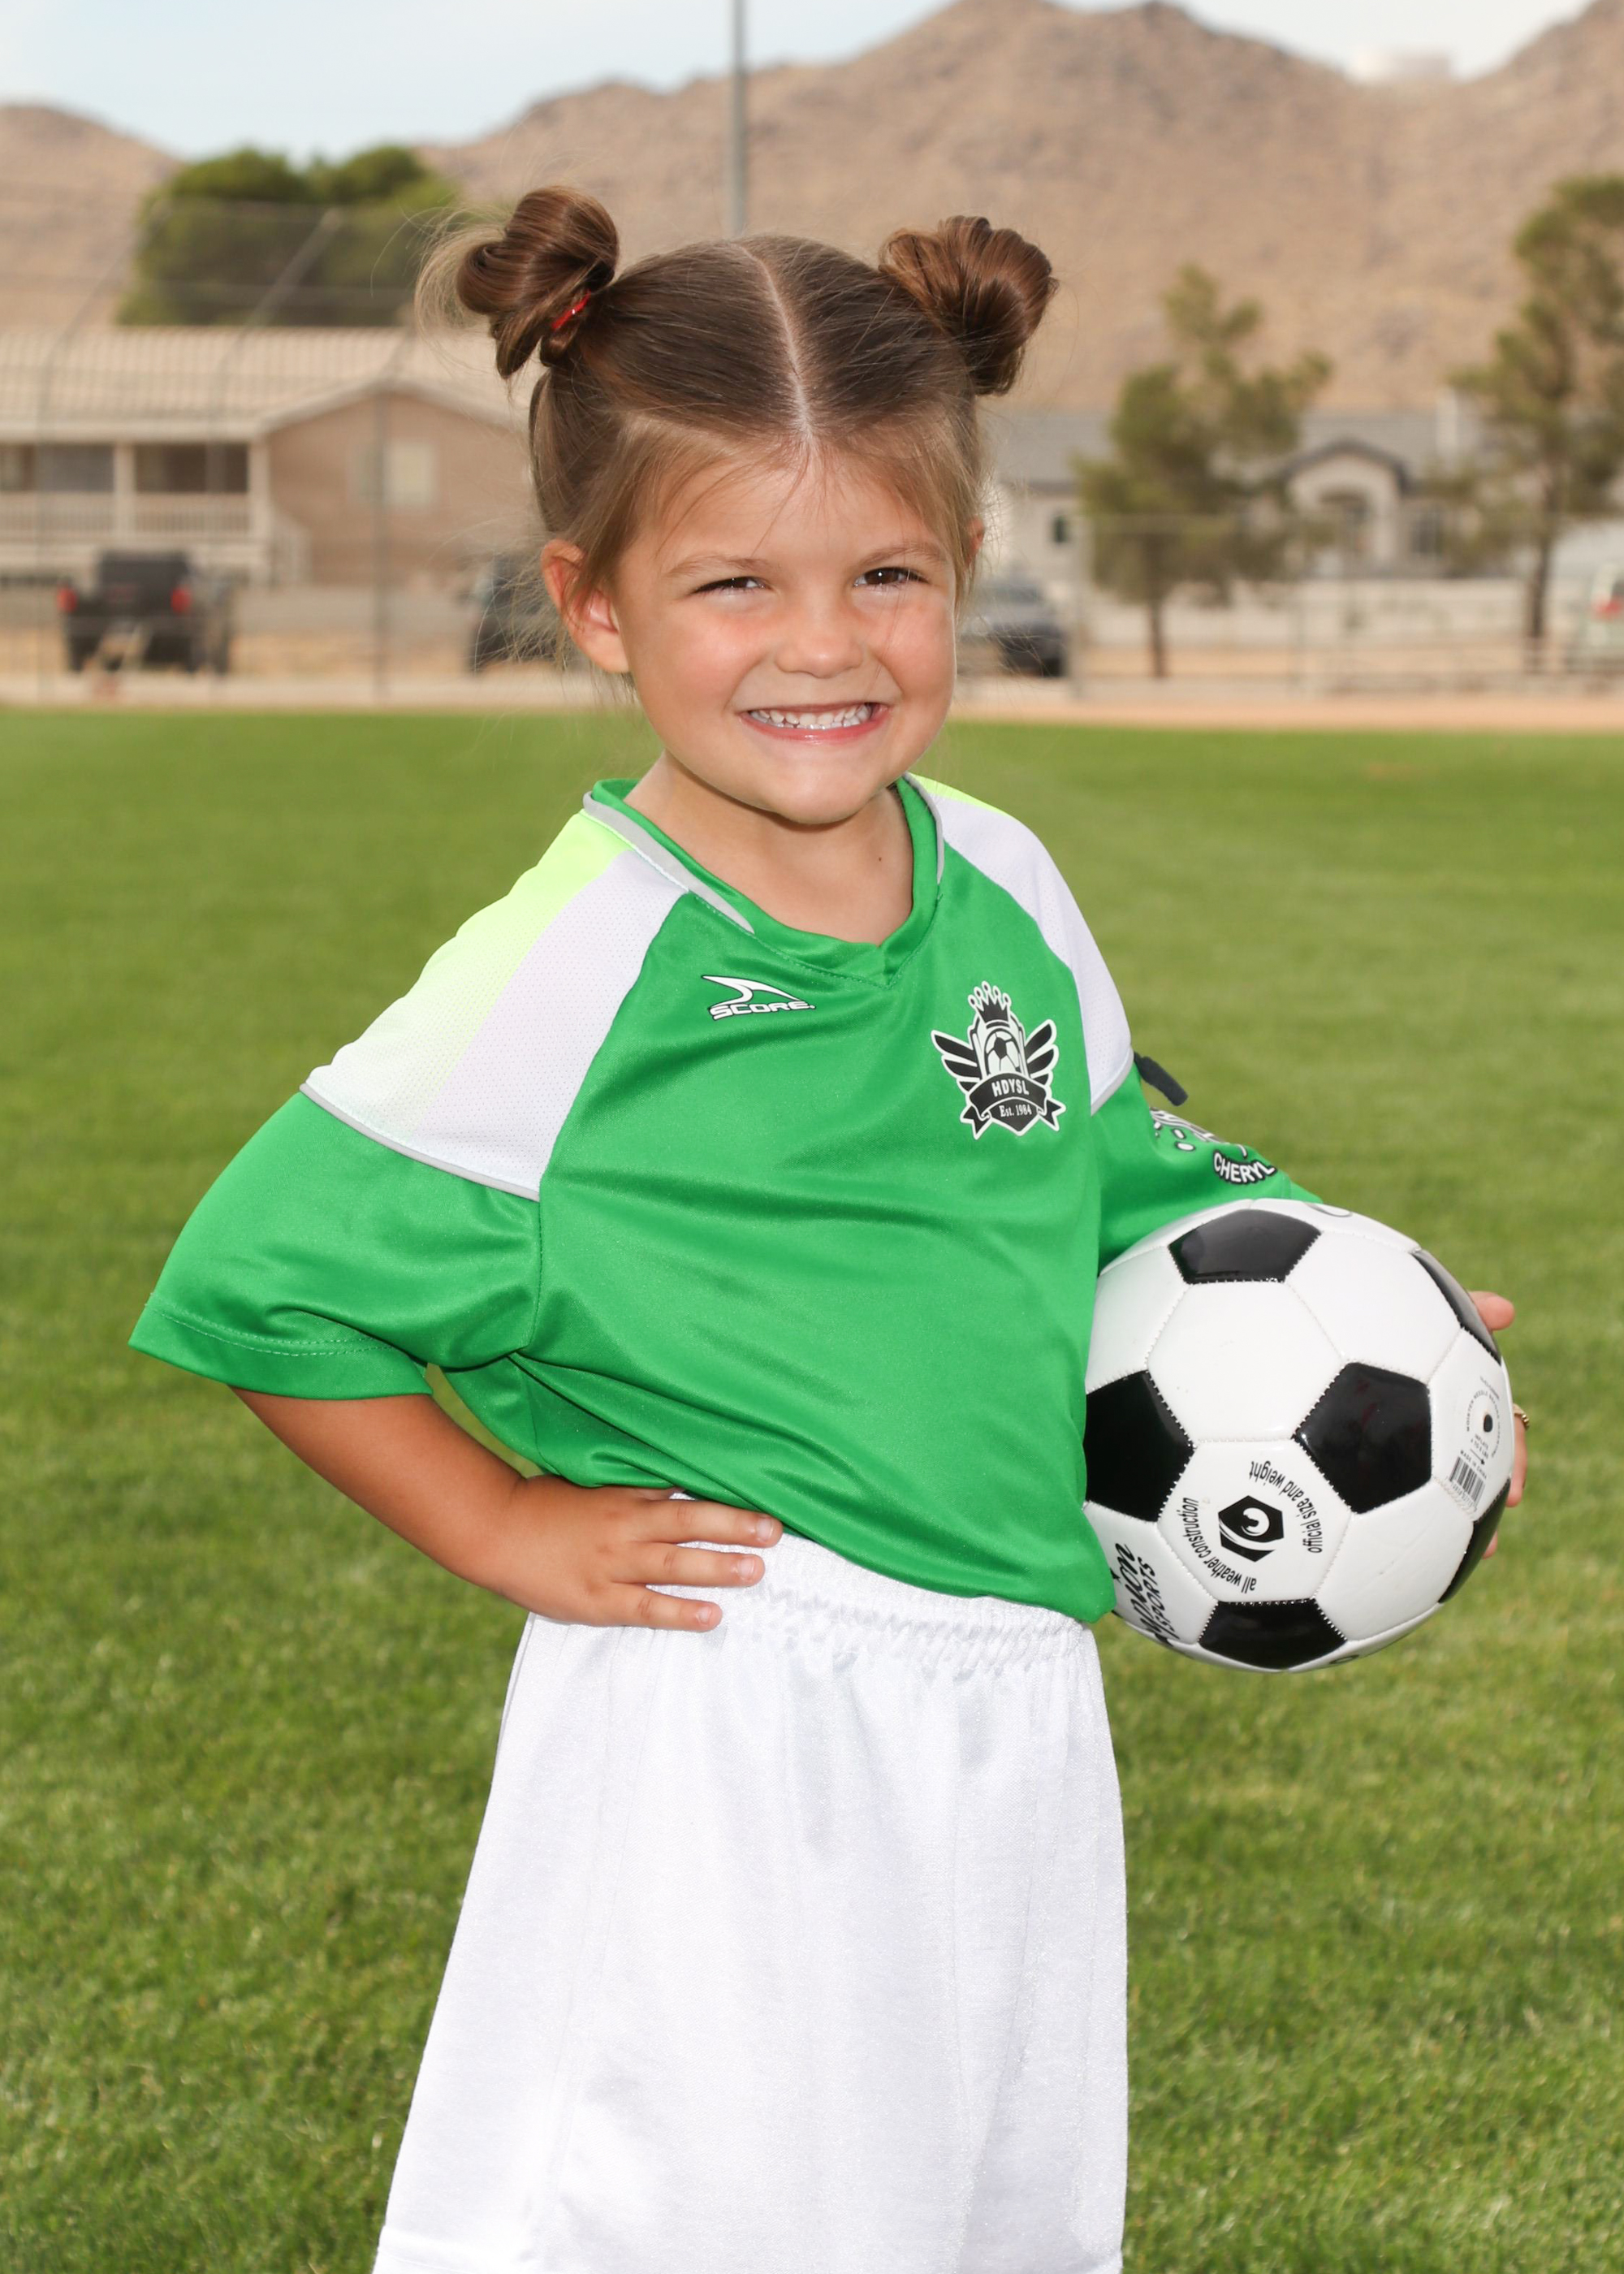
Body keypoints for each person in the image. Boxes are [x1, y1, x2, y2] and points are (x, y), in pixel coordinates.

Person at [129, 188, 1526, 2274]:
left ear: (964, 561)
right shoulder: (573, 968)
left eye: (887, 572)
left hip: (1014, 1697)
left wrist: (1370, 1311)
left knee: (980, 2219)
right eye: (734, 582)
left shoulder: (1001, 878)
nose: (823, 642)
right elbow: (264, 1277)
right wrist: (503, 1523)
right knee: (691, 2216)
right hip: (731, 1698)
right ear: (595, 606)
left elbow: (1113, 1170)